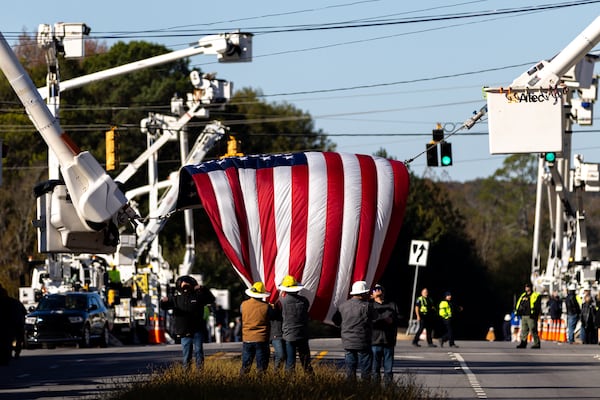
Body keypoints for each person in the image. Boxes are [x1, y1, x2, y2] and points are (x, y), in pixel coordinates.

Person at [160, 275, 215, 369]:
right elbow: (164, 307)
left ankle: (200, 373)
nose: (185, 286)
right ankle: (186, 374)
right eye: (183, 284)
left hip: (197, 330)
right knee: (186, 354)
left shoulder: (198, 296)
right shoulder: (176, 298)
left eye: (187, 284)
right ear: (179, 286)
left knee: (198, 352)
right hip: (184, 332)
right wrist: (162, 301)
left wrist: (203, 288)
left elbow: (211, 299)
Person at [333, 280, 375, 381]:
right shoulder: (367, 306)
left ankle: (351, 389)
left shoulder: (343, 306)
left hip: (348, 342)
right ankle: (365, 391)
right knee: (365, 371)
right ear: (363, 293)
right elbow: (375, 316)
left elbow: (335, 320)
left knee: (350, 370)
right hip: (363, 342)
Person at [279, 275, 313, 374]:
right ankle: (311, 379)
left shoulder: (281, 301)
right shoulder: (304, 301)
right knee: (306, 361)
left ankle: (290, 381)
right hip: (302, 333)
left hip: (289, 335)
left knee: (290, 361)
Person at [239, 281, 272, 374]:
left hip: (247, 338)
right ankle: (259, 384)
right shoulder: (266, 307)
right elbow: (273, 316)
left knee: (245, 365)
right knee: (261, 366)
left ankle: (242, 383)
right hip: (261, 339)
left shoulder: (243, 305)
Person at [370, 283, 399, 385]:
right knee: (374, 370)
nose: (378, 290)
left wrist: (392, 320)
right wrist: (381, 319)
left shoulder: (392, 305)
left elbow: (397, 319)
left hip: (388, 341)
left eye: (380, 288)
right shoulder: (370, 306)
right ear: (371, 294)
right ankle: (374, 391)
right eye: (375, 289)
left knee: (388, 370)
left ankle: (388, 391)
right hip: (374, 341)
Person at [515, 283, 541, 349]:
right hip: (524, 315)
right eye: (526, 287)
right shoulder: (523, 295)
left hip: (531, 315)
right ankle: (523, 343)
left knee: (533, 329)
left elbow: (537, 306)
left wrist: (535, 313)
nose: (526, 288)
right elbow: (519, 304)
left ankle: (536, 343)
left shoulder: (535, 295)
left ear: (531, 287)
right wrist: (517, 311)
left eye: (528, 287)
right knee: (524, 330)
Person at [269, 298, 286, 371]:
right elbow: (272, 315)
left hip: (286, 333)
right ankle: (276, 372)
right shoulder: (271, 305)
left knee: (284, 355)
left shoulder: (283, 303)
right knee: (280, 354)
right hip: (276, 334)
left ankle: (278, 375)